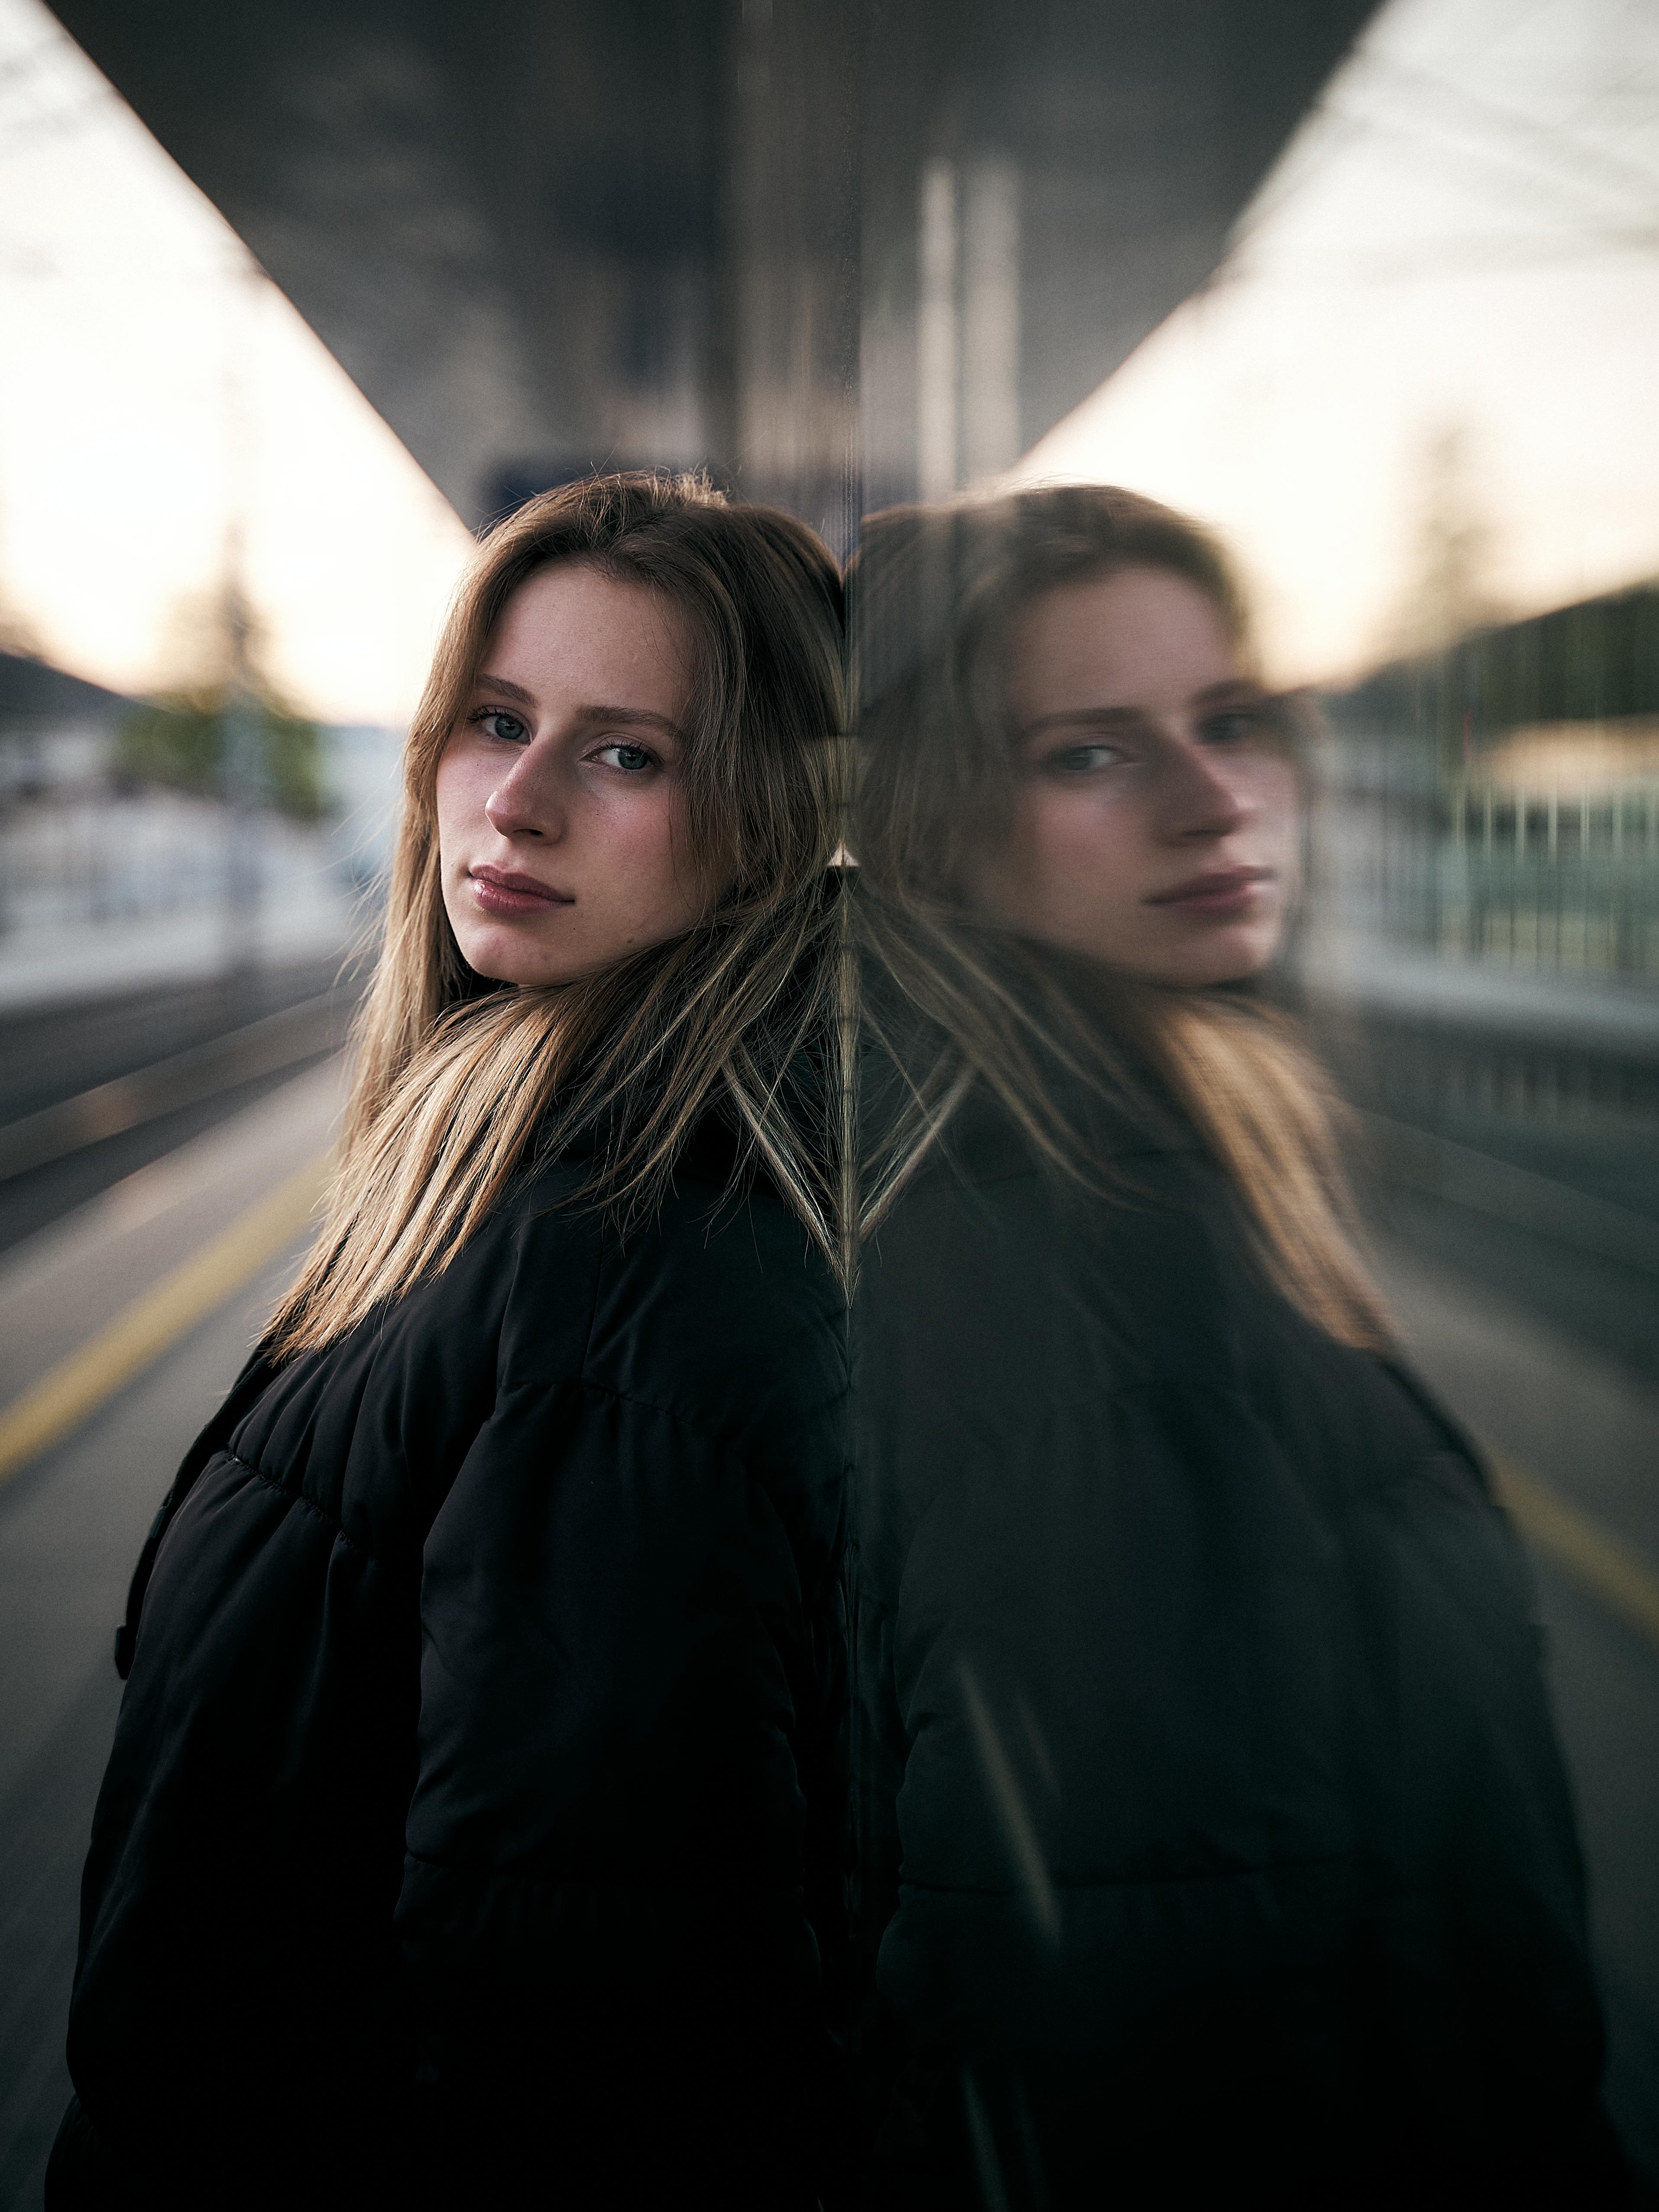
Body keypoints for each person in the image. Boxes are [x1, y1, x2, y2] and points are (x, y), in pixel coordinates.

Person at [48, 473, 853, 2212]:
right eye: (498, 720)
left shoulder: (610, 1289)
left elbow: (571, 2047)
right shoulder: (505, 1178)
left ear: (769, 818)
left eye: (625, 752)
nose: (520, 800)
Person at [844, 485, 1625, 2209]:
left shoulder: (1149, 1177)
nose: (1219, 799)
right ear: (931, 823)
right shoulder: (1071, 1268)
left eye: (1233, 723)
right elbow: (1148, 1964)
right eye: (1089, 752)